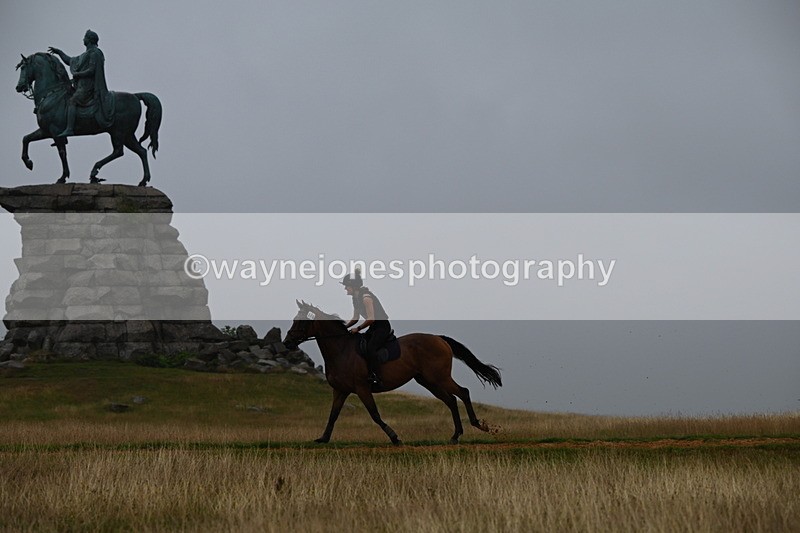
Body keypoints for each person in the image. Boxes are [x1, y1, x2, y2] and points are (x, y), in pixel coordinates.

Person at [48, 29, 113, 137]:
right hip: (81, 86)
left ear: (89, 40)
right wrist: (59, 52)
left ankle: (69, 129)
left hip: (89, 87)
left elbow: (92, 70)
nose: (83, 39)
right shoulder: (84, 55)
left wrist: (78, 74)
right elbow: (70, 61)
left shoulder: (95, 53)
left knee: (72, 101)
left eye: (85, 37)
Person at [342, 268, 392, 389]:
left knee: (370, 348)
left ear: (354, 286)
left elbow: (371, 319)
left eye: (347, 286)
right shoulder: (355, 299)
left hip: (382, 327)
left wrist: (357, 329)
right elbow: (355, 318)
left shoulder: (366, 297)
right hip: (374, 327)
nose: (345, 288)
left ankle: (376, 376)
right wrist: (343, 327)